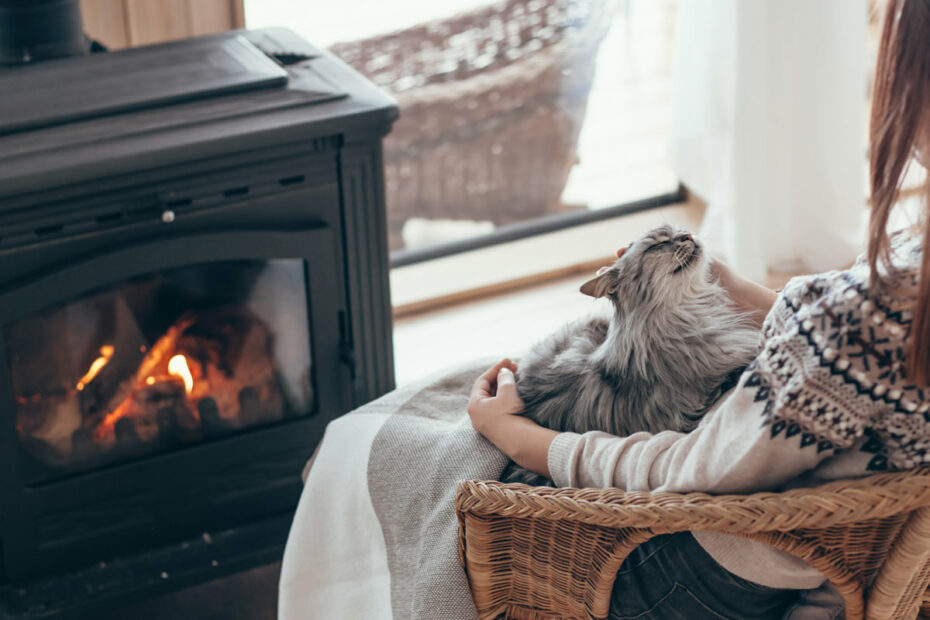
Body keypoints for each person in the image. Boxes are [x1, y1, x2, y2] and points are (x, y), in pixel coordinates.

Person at [466, 1, 930, 617]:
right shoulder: (887, 298)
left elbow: (691, 470)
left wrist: (523, 440)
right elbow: (863, 362)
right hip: (866, 559)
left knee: (442, 486)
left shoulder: (858, 319)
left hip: (723, 577)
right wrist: (751, 295)